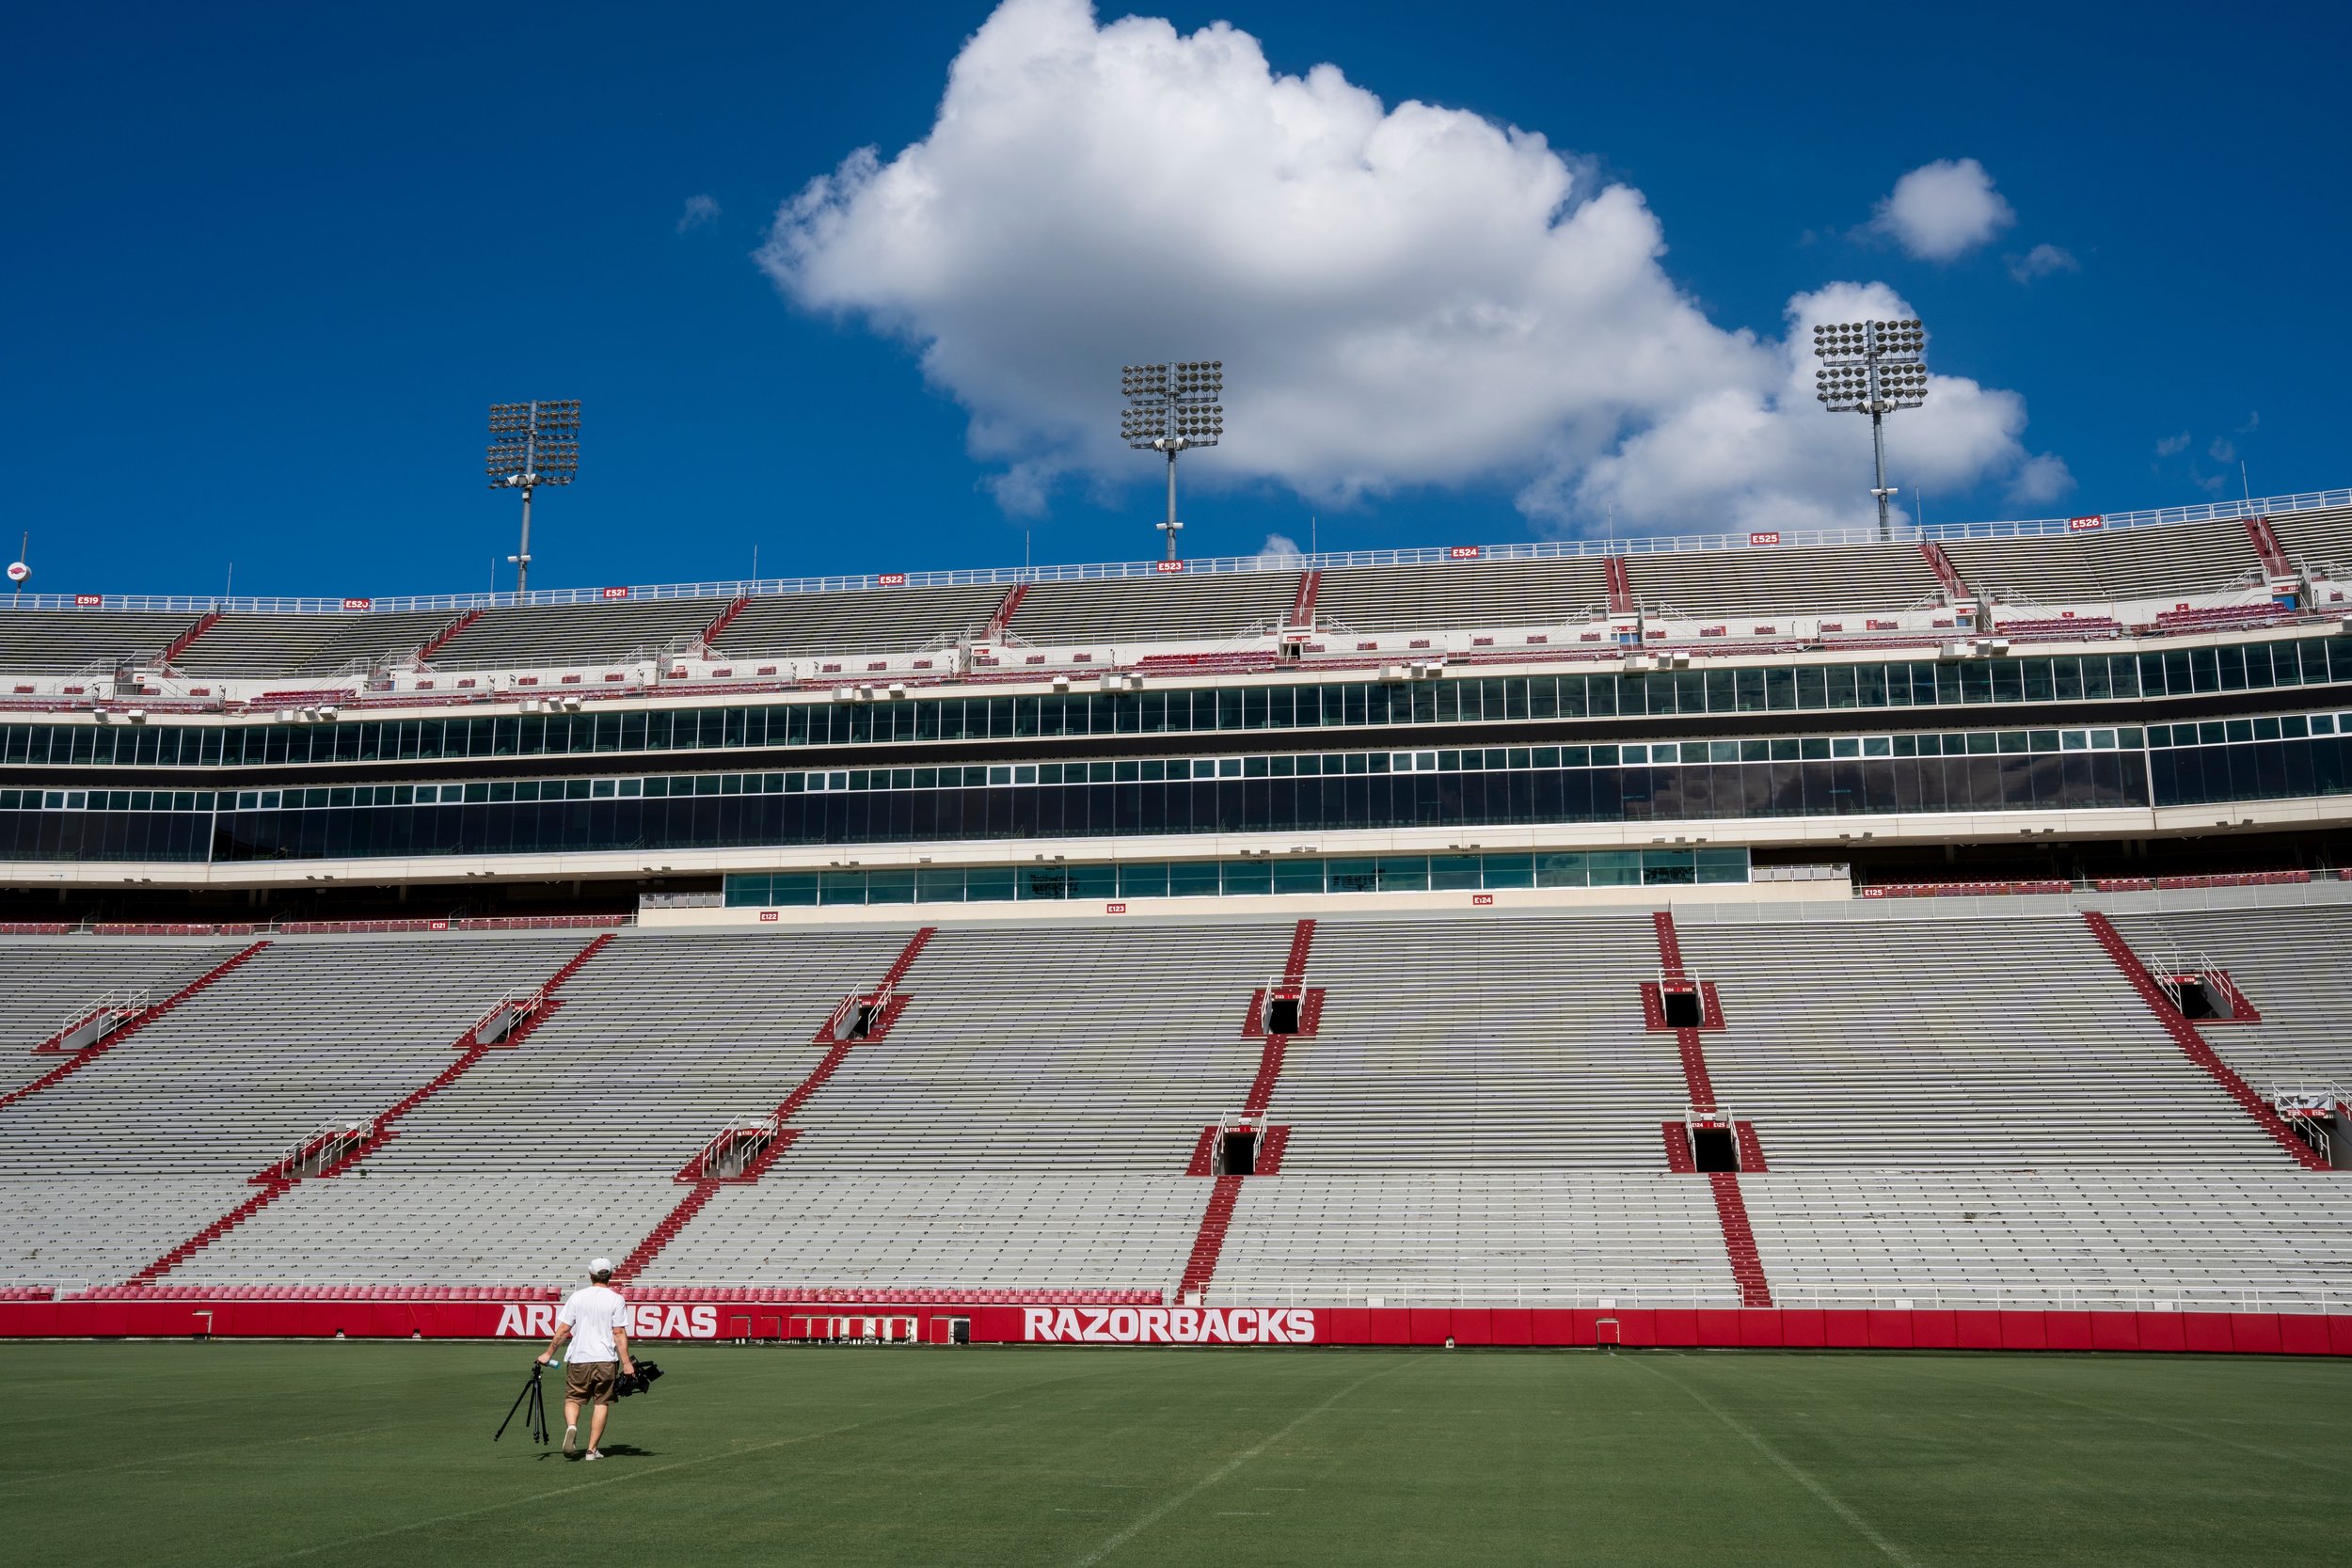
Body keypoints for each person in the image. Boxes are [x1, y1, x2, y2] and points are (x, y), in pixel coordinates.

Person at [536, 1258, 636, 1460]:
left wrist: (548, 1354)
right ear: (610, 1275)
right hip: (605, 1358)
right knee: (601, 1402)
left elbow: (564, 1330)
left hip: (579, 1357)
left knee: (573, 1397)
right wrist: (626, 1363)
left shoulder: (577, 1297)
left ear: (590, 1275)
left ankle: (572, 1426)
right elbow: (618, 1333)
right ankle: (591, 1450)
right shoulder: (616, 1299)